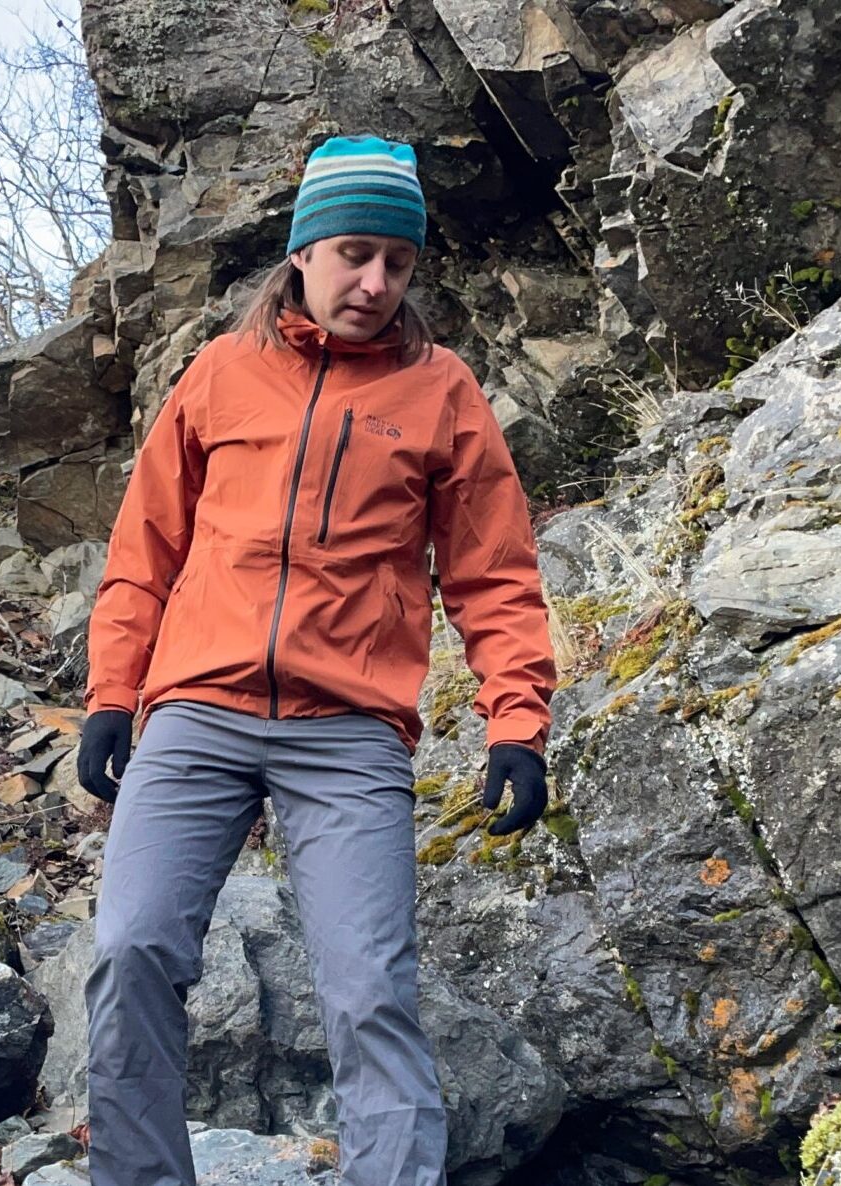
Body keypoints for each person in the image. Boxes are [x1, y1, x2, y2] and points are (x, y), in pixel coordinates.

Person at [74, 134, 558, 1186]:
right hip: (196, 712)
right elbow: (143, 546)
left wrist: (515, 721)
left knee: (370, 988)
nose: (374, 282)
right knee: (130, 953)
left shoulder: (441, 392)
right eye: (351, 253)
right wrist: (114, 692)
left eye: (397, 261)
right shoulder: (219, 374)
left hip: (349, 731)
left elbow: (494, 574)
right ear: (301, 253)